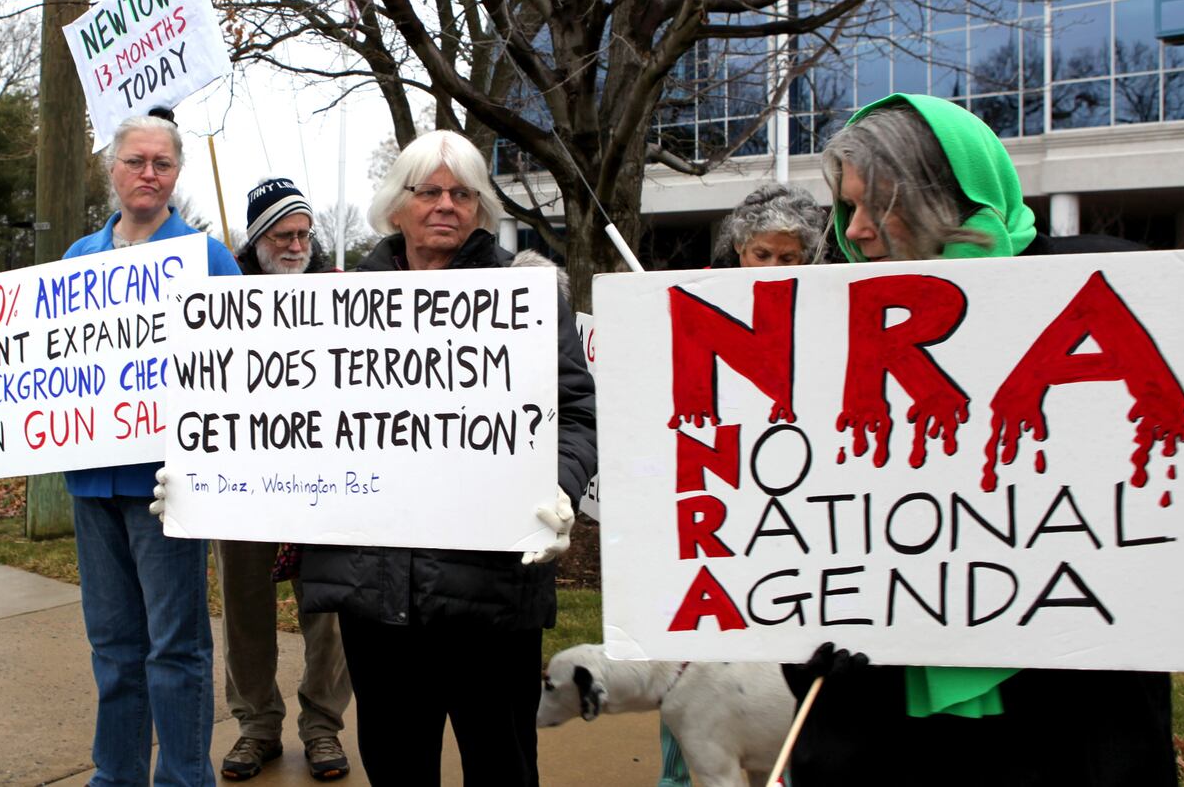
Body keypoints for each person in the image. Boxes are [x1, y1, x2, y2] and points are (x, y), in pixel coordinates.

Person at [781, 93, 1172, 787]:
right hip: (881, 714)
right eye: (848, 208)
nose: (859, 230)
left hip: (1065, 710)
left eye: (880, 205)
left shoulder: (1109, 292)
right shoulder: (816, 327)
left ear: (949, 197)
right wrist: (803, 632)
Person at [298, 130, 597, 786]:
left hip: (491, 593)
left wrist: (562, 490)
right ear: (394, 207)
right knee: (397, 767)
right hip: (376, 599)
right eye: (428, 191)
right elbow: (287, 420)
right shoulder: (332, 305)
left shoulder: (528, 298)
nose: (446, 204)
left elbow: (576, 413)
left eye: (463, 193)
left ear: (480, 208)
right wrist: (213, 481)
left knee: (503, 765)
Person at [0, 108, 242, 787]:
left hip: (168, 490)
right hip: (92, 485)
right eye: (135, 161)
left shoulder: (207, 257)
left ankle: (181, 778)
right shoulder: (78, 260)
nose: (148, 174)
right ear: (110, 168)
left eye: (162, 163)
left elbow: (241, 373)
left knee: (176, 649)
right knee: (113, 646)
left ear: (177, 173)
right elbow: (38, 375)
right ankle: (114, 776)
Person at [654, 181, 829, 787]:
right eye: (762, 255)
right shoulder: (692, 312)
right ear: (738, 252)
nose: (775, 268)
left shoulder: (833, 320)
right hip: (712, 524)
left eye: (789, 257)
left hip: (795, 529)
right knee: (694, 678)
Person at [216, 177, 352, 782]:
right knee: (245, 606)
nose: (297, 245)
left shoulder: (338, 293)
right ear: (257, 239)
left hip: (325, 479)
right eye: (283, 234)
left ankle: (323, 725)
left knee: (329, 609)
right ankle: (256, 725)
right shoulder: (220, 296)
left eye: (304, 233)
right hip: (244, 481)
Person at [710, 182, 826, 269]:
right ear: (739, 245)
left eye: (787, 259)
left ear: (804, 259)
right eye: (761, 255)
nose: (772, 267)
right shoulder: (703, 290)